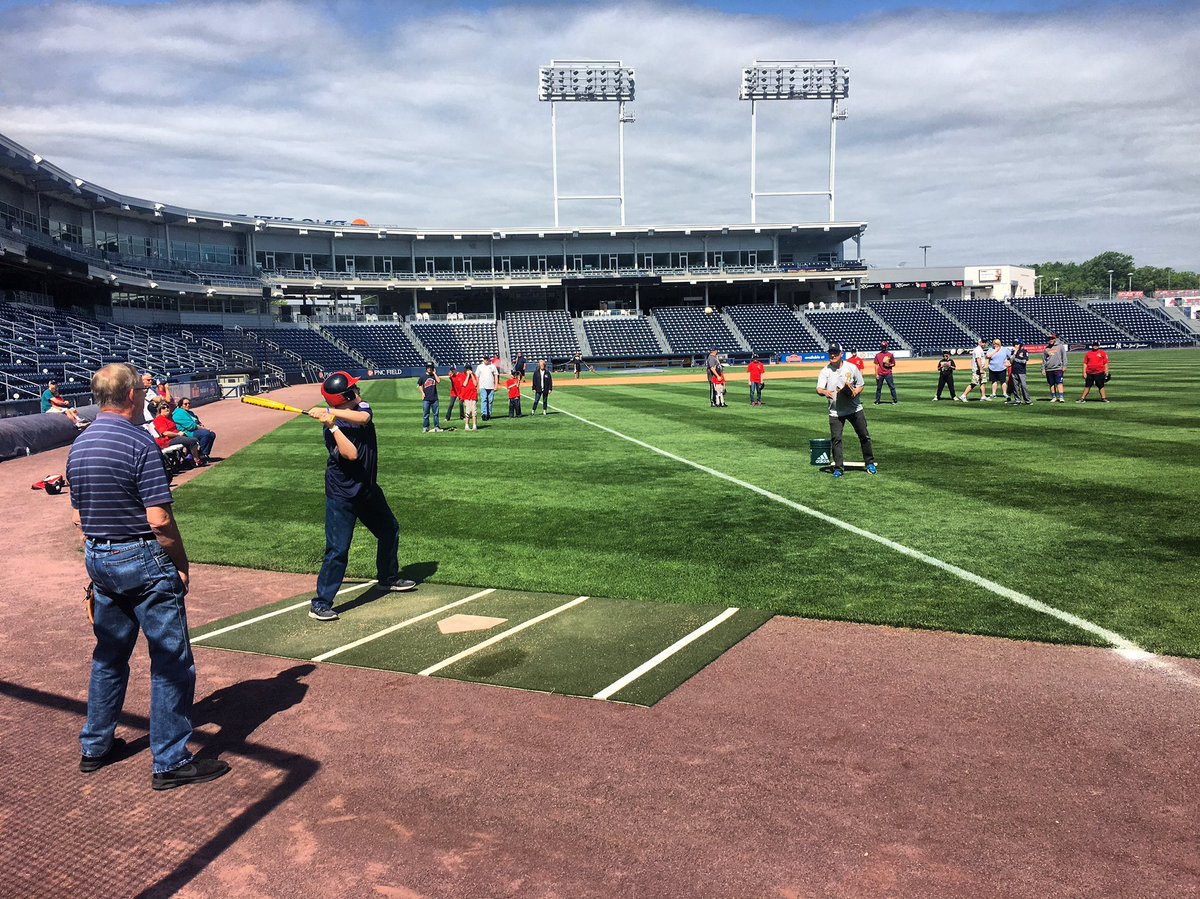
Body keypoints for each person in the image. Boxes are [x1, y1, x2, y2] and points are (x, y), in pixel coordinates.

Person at [66, 362, 230, 790]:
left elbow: (79, 518)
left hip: (99, 557)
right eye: (142, 389)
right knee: (171, 660)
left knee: (109, 656)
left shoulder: (80, 443)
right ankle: (170, 761)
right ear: (132, 395)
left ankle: (95, 746)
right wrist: (180, 563)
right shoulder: (139, 443)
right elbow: (158, 520)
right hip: (141, 556)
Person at [306, 371, 415, 621]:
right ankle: (321, 603)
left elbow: (364, 418)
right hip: (342, 495)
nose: (359, 391)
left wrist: (331, 413)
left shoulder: (360, 408)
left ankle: (387, 578)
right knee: (338, 549)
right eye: (354, 388)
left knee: (389, 530)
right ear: (344, 395)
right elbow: (351, 454)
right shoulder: (331, 429)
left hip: (367, 489)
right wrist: (332, 426)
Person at [815, 344, 877, 479]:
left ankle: (869, 463)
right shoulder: (825, 371)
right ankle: (838, 468)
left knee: (864, 436)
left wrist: (855, 392)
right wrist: (824, 392)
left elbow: (861, 385)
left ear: (841, 354)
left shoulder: (851, 367)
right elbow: (819, 388)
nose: (833, 355)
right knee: (836, 439)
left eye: (835, 352)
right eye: (831, 352)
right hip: (835, 412)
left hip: (855, 409)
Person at [151, 399, 204, 465]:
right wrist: (178, 434)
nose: (166, 409)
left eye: (167, 407)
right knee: (193, 440)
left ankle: (189, 458)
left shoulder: (169, 418)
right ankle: (196, 460)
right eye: (163, 408)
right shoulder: (159, 419)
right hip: (169, 440)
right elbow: (165, 433)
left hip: (176, 437)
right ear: (159, 410)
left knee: (193, 438)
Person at [1041, 333, 1068, 403]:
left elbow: (1064, 357)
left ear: (1055, 339)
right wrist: (1043, 369)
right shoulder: (1046, 349)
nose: (1051, 340)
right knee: (1051, 383)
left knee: (1059, 383)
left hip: (1058, 368)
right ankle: (1054, 397)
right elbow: (1044, 360)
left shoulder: (1060, 346)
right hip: (1049, 369)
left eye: (1052, 338)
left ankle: (1061, 397)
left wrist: (1064, 366)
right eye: (1049, 339)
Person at [1006, 341, 1033, 405]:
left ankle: (1027, 400)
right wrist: (1014, 353)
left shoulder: (1024, 351)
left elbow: (1024, 361)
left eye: (1017, 344)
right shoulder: (1013, 352)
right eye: (1015, 344)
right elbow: (1011, 361)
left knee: (1023, 386)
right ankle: (1017, 400)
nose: (1015, 345)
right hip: (1014, 371)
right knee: (1015, 387)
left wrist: (1016, 360)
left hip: (1021, 371)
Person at [417, 363, 442, 433]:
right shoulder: (423, 376)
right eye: (428, 367)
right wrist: (422, 393)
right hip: (426, 398)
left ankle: (436, 427)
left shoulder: (433, 376)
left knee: (436, 414)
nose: (429, 369)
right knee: (425, 414)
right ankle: (425, 427)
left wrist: (434, 374)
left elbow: (439, 381)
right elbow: (419, 385)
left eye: (431, 367)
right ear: (426, 368)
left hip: (434, 398)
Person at [476, 356, 498, 420]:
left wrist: (496, 384)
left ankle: (489, 413)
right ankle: (484, 414)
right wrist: (477, 385)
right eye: (485, 359)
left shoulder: (492, 366)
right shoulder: (480, 366)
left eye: (487, 359)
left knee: (490, 400)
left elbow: (496, 375)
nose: (486, 361)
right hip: (482, 386)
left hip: (491, 386)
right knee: (484, 399)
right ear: (483, 360)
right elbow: (477, 376)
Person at [460, 365, 479, 430]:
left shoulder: (474, 375)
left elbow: (475, 384)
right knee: (468, 411)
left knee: (474, 411)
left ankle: (474, 425)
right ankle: (467, 425)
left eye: (469, 369)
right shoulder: (462, 376)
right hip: (466, 395)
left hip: (473, 395)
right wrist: (468, 376)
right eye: (467, 369)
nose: (468, 371)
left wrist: (472, 376)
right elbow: (464, 384)